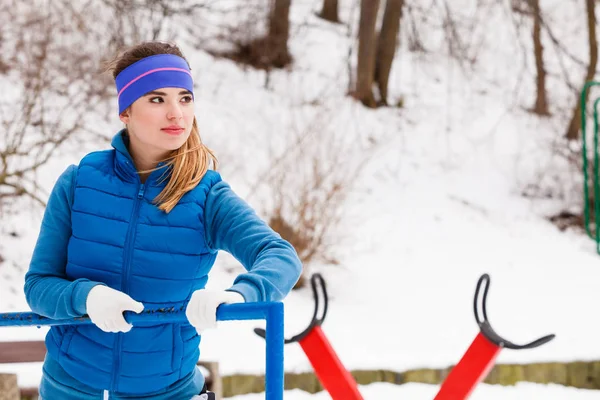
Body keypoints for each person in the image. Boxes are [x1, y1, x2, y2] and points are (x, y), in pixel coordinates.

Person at [23, 41, 302, 400]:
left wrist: (238, 294)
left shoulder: (207, 196)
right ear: (125, 111)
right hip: (69, 386)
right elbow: (39, 286)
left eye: (184, 98)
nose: (176, 113)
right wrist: (86, 296)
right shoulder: (79, 182)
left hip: (165, 391)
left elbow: (281, 256)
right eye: (157, 99)